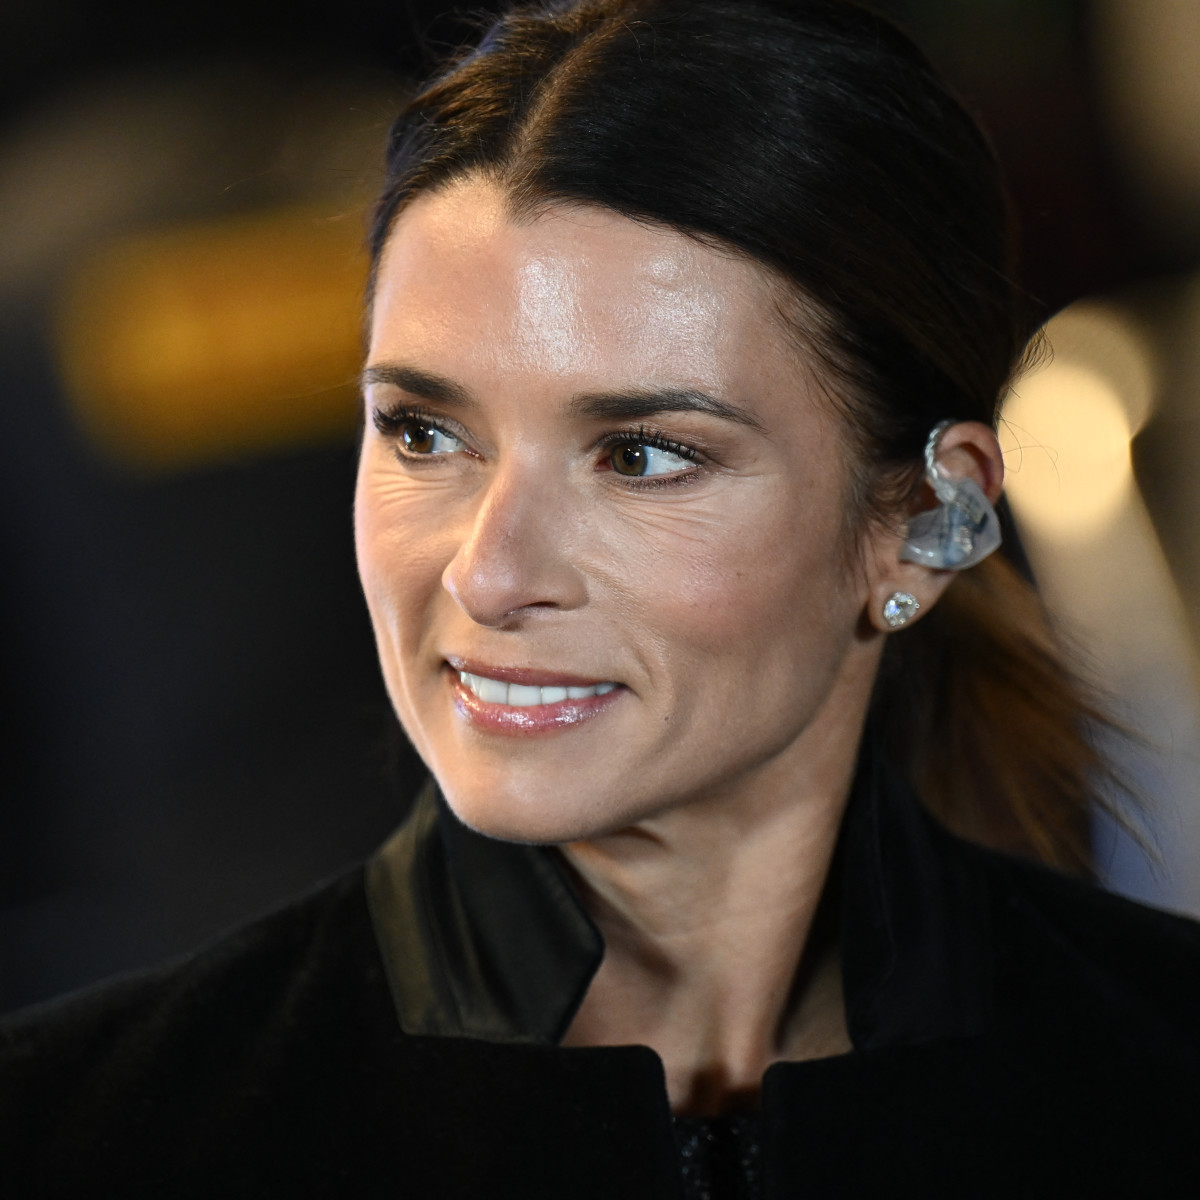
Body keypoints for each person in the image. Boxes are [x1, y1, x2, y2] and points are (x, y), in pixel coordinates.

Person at [3, 0, 1199, 1195]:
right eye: (422, 433)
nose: (488, 573)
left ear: (929, 522)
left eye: (640, 456)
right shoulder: (79, 1134)